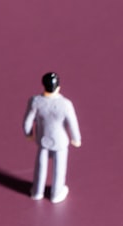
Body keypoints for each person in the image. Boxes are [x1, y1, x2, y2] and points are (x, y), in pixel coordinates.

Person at [23, 71, 82, 203]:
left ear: (43, 85)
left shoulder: (35, 101)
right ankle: (56, 193)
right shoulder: (66, 104)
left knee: (41, 166)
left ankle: (37, 192)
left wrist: (29, 134)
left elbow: (27, 121)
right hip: (60, 142)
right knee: (59, 168)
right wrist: (76, 139)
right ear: (58, 87)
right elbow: (73, 124)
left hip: (43, 139)